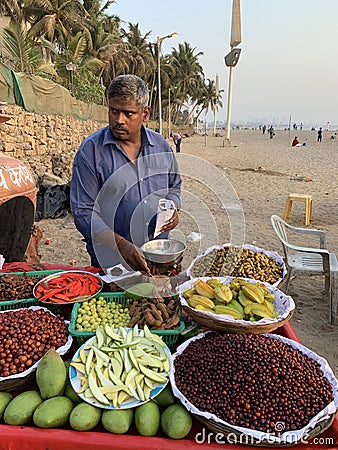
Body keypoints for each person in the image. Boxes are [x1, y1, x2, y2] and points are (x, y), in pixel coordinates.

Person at [70, 74, 181, 273]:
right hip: (111, 262)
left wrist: (174, 208)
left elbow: (175, 185)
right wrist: (120, 244)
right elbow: (83, 212)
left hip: (157, 256)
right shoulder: (90, 152)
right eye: (114, 111)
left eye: (128, 113)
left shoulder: (162, 146)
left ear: (145, 114)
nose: (119, 120)